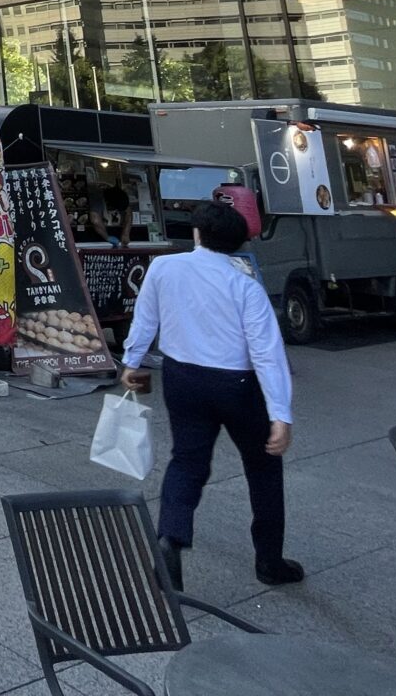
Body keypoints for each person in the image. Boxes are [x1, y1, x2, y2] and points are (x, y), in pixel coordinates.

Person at [121, 200, 300, 590]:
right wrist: (280, 414)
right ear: (236, 244)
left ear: (197, 234)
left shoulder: (164, 267)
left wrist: (132, 360)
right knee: (263, 468)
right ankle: (269, 561)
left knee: (187, 460)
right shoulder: (245, 286)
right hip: (237, 384)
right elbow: (267, 352)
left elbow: (145, 317)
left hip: (182, 376)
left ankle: (171, 537)